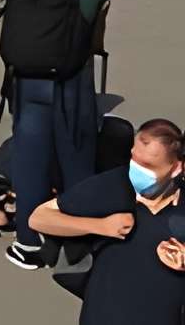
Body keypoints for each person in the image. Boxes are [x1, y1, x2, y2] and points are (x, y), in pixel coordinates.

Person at [3, 0, 110, 272]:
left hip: (25, 82)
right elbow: (94, 35)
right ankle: (78, 244)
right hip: (69, 84)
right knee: (76, 159)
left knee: (30, 161)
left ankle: (28, 243)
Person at [29, 115, 185, 315]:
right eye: (134, 159)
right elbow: (39, 218)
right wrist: (100, 225)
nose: (136, 171)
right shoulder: (114, 185)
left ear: (176, 168)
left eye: (148, 166)